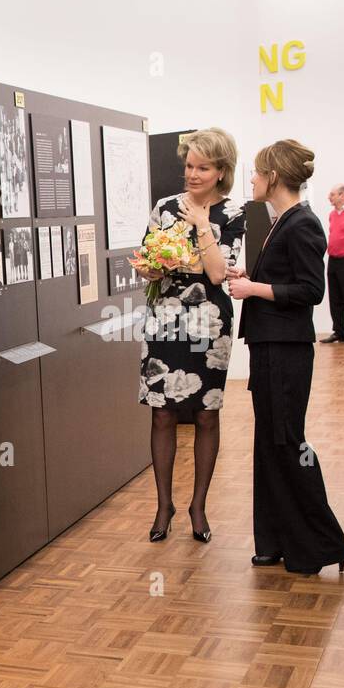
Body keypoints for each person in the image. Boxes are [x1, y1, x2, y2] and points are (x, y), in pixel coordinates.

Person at [229, 140, 344, 575]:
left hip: (284, 351)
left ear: (274, 177)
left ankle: (318, 545)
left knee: (286, 442)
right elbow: (288, 279)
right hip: (270, 347)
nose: (253, 179)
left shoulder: (302, 223)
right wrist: (251, 277)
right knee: (271, 444)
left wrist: (253, 289)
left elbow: (310, 291)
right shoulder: (284, 221)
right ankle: (277, 541)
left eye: (258, 173)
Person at [136, 128, 245, 543]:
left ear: (222, 171)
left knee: (205, 413)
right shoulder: (164, 207)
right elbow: (146, 263)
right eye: (189, 166)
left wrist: (201, 225)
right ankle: (164, 504)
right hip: (164, 319)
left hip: (209, 325)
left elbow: (219, 272)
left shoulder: (234, 214)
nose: (193, 174)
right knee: (161, 411)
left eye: (203, 167)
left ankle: (199, 505)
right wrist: (150, 267)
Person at [320, 184, 344, 343]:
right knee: (335, 298)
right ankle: (339, 332)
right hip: (334, 259)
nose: (329, 196)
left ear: (343, 195)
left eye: (333, 194)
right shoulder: (332, 214)